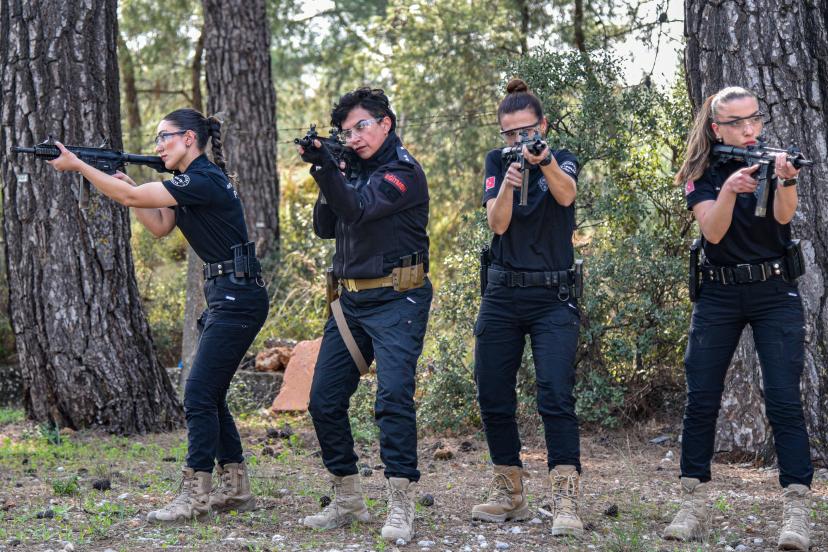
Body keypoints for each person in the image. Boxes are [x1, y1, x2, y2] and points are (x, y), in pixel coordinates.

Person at [46, 108, 269, 523]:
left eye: (165, 136)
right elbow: (160, 225)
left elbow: (132, 199)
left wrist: (79, 166)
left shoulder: (202, 179)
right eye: (156, 139)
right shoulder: (191, 182)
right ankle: (236, 489)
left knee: (198, 394)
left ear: (189, 139)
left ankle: (195, 496)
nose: (158, 145)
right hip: (227, 293)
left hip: (238, 296)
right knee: (209, 393)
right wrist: (130, 187)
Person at [664, 86, 812, 551]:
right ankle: (691, 504)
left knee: (784, 399)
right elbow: (712, 230)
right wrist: (729, 189)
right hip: (719, 293)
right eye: (736, 123)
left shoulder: (773, 159)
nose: (749, 129)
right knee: (702, 397)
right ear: (717, 128)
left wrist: (786, 180)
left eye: (754, 119)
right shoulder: (701, 172)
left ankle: (797, 509)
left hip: (774, 290)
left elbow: (783, 217)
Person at [295, 87, 431, 543]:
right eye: (345, 132)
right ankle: (348, 498)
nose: (354, 137)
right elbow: (324, 226)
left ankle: (400, 502)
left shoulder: (402, 172)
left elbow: (357, 210)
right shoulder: (350, 168)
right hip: (350, 302)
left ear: (385, 123)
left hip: (398, 300)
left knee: (392, 398)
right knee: (324, 400)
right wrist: (331, 169)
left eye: (362, 127)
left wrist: (328, 168)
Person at [470, 79, 583, 536]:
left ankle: (565, 497)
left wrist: (544, 161)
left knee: (555, 394)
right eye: (511, 133)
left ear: (544, 125)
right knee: (493, 391)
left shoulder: (564, 157)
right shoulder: (497, 162)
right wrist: (507, 186)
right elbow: (496, 224)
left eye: (527, 131)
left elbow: (567, 195)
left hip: (553, 295)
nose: (520, 140)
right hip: (502, 293)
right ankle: (509, 490)